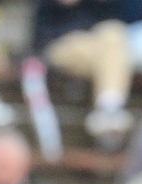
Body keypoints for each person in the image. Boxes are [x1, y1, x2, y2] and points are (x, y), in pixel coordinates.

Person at [33, 0, 134, 150]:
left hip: (94, 48)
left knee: (113, 31)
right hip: (57, 47)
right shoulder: (49, 6)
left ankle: (109, 108)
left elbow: (107, 21)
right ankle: (110, 108)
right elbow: (40, 35)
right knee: (110, 52)